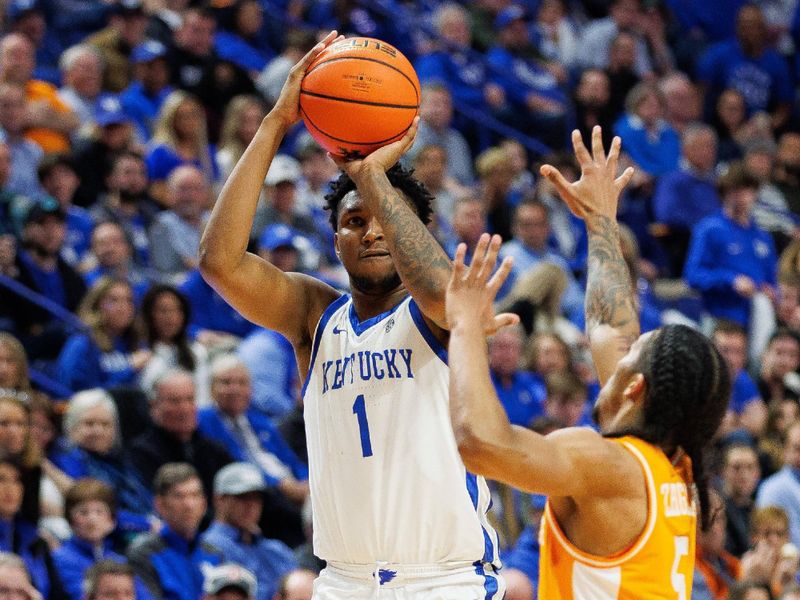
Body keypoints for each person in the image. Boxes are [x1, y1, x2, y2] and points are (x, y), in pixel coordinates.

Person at [199, 31, 504, 598]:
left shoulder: (438, 311)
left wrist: (370, 175)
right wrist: (275, 123)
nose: (371, 232)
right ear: (334, 238)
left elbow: (444, 296)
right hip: (342, 582)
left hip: (444, 581)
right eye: (353, 221)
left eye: (384, 218)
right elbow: (219, 262)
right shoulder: (314, 315)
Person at [444, 126, 731, 598]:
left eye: (628, 358)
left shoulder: (607, 465)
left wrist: (465, 327)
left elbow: (479, 443)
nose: (616, 354)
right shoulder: (671, 464)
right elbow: (609, 325)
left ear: (635, 388)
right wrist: (600, 221)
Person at [201, 463, 297, 600]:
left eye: (256, 497)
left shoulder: (276, 549)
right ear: (219, 499)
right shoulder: (207, 547)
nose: (251, 505)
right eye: (242, 497)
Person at [127, 463, 222, 600]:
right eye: (179, 496)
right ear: (160, 504)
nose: (189, 505)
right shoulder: (143, 554)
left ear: (204, 504)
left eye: (194, 495)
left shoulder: (215, 553)